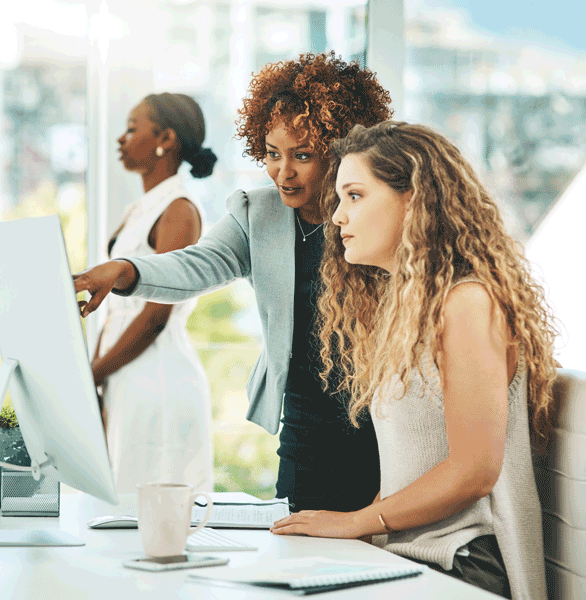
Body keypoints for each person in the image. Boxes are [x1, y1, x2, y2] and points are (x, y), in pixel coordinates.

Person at [74, 52, 393, 511]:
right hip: (305, 429)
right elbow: (196, 265)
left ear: (342, 151)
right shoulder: (257, 214)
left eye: (302, 156)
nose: (283, 172)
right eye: (271, 154)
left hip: (383, 430)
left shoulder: (374, 214)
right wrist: (127, 270)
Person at [270, 121, 557, 600]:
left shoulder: (466, 301)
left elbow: (473, 470)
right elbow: (416, 465)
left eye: (355, 196)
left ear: (415, 199)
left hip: (464, 561)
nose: (337, 216)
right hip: (410, 555)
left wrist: (356, 522)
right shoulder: (406, 310)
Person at [92, 92, 218, 493]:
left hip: (156, 379)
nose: (121, 139)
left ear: (165, 137)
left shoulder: (179, 208)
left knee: (146, 515)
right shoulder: (143, 207)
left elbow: (155, 316)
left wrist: (93, 374)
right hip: (127, 373)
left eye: (132, 128)